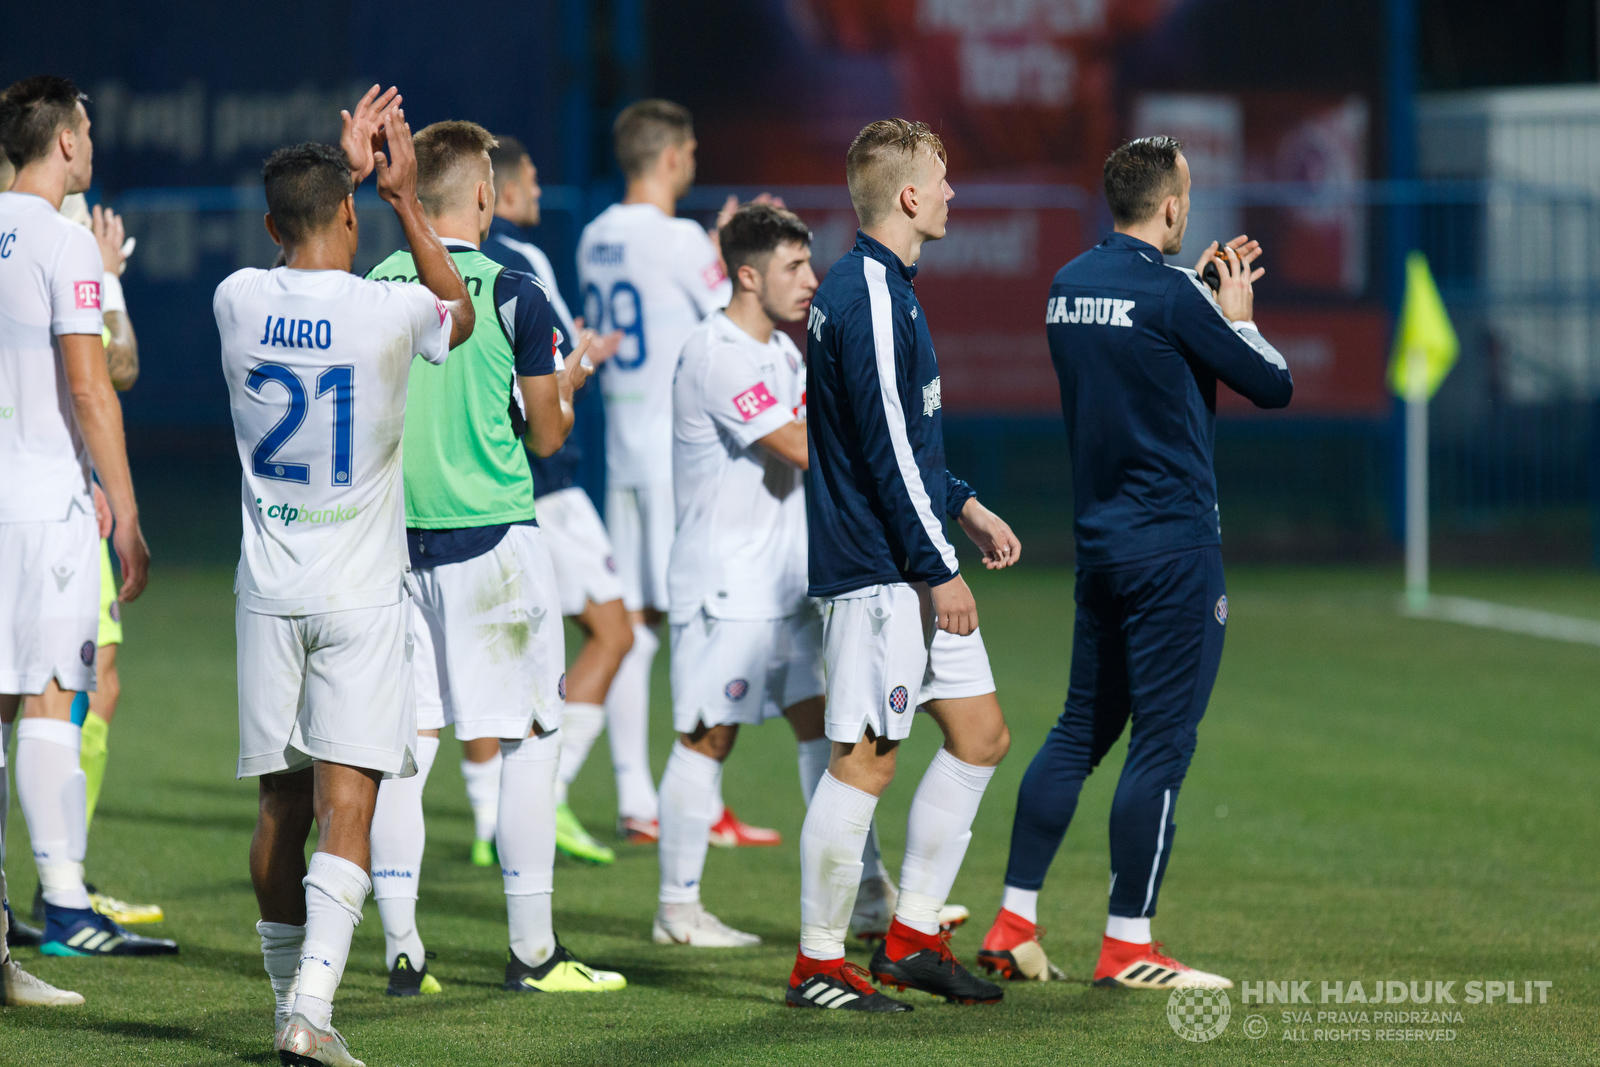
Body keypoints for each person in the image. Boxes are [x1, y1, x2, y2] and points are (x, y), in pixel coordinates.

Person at [977, 136, 1292, 989]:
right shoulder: (1172, 296)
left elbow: (1141, 346)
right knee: (1161, 743)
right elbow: (1273, 383)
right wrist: (1239, 315)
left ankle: (1013, 921)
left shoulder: (1069, 283)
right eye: (1188, 194)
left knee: (1079, 730)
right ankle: (1127, 945)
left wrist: (1199, 298)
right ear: (1173, 207)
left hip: (1102, 546)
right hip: (1174, 550)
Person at [217, 87, 477, 1065]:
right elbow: (459, 316)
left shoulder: (235, 299)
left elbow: (299, 257)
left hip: (266, 594)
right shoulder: (387, 307)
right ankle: (312, 1011)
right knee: (350, 804)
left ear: (272, 225)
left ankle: (292, 1001)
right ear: (349, 214)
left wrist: (337, 181)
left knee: (279, 807)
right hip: (360, 596)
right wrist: (407, 198)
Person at [363, 120, 624, 999]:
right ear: (483, 195)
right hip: (493, 539)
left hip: (394, 548)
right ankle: (534, 953)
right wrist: (563, 390)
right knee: (530, 738)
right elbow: (548, 434)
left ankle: (404, 953)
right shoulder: (514, 290)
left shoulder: (375, 283)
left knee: (409, 748)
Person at [786, 119, 1022, 1012]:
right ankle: (817, 964)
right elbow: (882, 450)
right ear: (910, 196)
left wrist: (963, 500)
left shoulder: (888, 288)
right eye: (944, 179)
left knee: (980, 735)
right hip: (881, 573)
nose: (955, 193)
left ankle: (913, 938)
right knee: (867, 761)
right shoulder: (868, 295)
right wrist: (939, 566)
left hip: (906, 557)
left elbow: (903, 442)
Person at [577, 99, 778, 848]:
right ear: (668, 158)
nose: (693, 160)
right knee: (698, 623)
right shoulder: (678, 238)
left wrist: (715, 243)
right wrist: (732, 246)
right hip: (678, 457)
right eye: (689, 150)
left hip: (624, 449)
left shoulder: (596, 235)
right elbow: (734, 305)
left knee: (636, 624)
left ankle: (639, 798)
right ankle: (694, 799)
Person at [0, 75, 166, 969]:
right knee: (52, 699)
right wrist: (128, 511)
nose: (93, 143)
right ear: (64, 140)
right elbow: (93, 381)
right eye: (88, 129)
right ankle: (65, 901)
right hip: (39, 503)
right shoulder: (64, 242)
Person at [480, 135, 627, 867]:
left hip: (487, 481)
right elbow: (560, 363)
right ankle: (549, 797)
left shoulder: (442, 269)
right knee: (613, 629)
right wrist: (585, 360)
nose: (539, 189)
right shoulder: (525, 261)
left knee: (491, 655)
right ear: (500, 191)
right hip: (550, 479)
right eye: (532, 177)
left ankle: (488, 819)